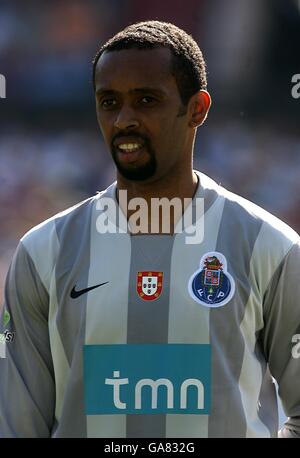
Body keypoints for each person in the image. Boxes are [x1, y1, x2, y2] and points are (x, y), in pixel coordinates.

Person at [0, 20, 300, 439]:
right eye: (109, 102)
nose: (124, 120)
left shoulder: (272, 247)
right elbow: (16, 426)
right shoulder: (41, 252)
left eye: (146, 100)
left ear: (197, 108)